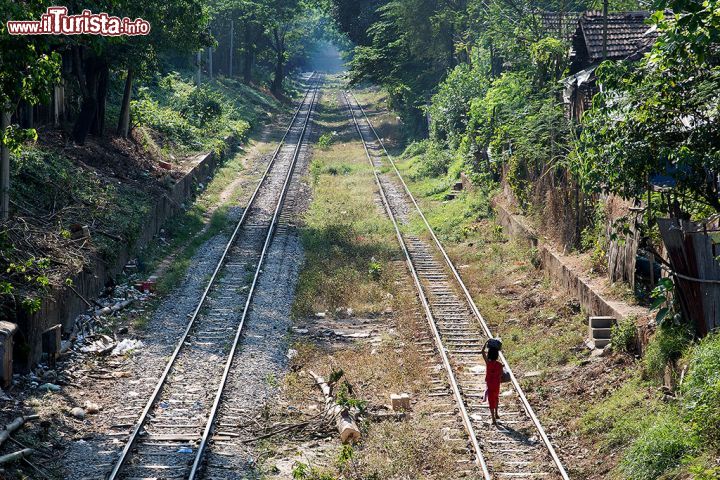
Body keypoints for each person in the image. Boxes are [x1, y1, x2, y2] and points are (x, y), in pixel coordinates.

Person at [482, 339, 503, 426]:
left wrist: (486, 342)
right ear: (497, 355)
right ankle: (497, 413)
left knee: (491, 401)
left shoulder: (488, 363)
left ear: (489, 354)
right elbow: (501, 375)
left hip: (490, 384)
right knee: (496, 398)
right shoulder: (500, 365)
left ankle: (493, 419)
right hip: (497, 384)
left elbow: (482, 352)